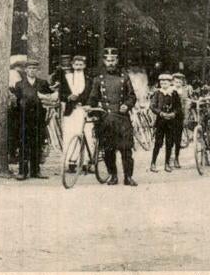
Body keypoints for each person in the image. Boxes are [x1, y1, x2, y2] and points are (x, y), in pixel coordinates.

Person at [88, 47, 137, 186]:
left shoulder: (124, 77)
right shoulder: (99, 79)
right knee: (108, 149)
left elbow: (132, 96)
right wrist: (90, 108)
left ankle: (128, 177)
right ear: (104, 61)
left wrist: (127, 105)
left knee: (126, 149)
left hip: (122, 118)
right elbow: (92, 98)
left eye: (113, 60)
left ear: (117, 60)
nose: (110, 62)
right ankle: (113, 176)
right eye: (108, 60)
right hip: (106, 118)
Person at [13, 60, 53, 180]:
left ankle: (36, 171)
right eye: (30, 69)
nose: (32, 71)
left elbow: (49, 98)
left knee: (37, 144)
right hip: (24, 119)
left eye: (34, 69)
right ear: (25, 70)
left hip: (38, 118)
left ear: (38, 71)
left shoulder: (43, 83)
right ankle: (22, 171)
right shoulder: (19, 84)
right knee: (24, 144)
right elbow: (17, 102)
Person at [149, 74, 180, 172]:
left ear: (170, 83)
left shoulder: (174, 93)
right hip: (160, 122)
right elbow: (152, 106)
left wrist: (174, 114)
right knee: (158, 143)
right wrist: (160, 113)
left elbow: (178, 107)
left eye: (165, 82)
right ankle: (153, 163)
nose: (163, 84)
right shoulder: (157, 93)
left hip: (171, 122)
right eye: (161, 82)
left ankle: (167, 164)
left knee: (169, 143)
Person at [60, 55, 91, 150]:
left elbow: (91, 95)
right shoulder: (67, 78)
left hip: (84, 110)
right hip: (70, 111)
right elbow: (61, 94)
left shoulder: (89, 79)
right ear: (72, 65)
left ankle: (85, 160)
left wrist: (85, 102)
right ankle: (71, 159)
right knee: (70, 133)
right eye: (76, 64)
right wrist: (68, 97)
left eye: (80, 64)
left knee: (86, 133)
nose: (78, 66)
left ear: (84, 66)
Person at [170, 72, 188, 169]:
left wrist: (185, 118)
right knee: (169, 139)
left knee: (177, 139)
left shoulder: (184, 91)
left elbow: (186, 105)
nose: (178, 83)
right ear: (173, 82)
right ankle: (168, 158)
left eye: (180, 82)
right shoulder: (169, 90)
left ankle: (176, 158)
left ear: (182, 82)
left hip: (179, 118)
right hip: (170, 117)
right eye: (176, 81)